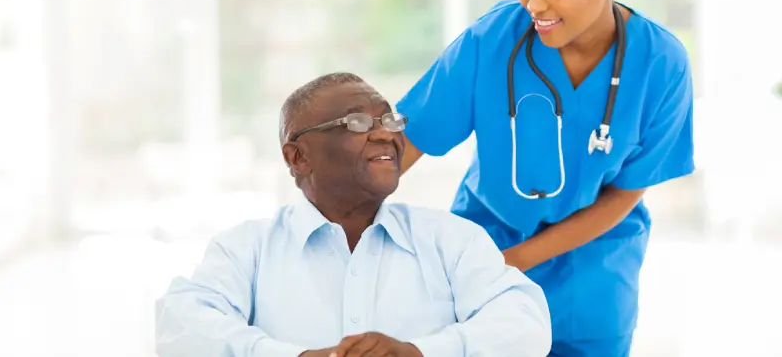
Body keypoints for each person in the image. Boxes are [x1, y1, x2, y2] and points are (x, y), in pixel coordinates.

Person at [395, 0, 694, 356]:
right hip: (483, 255)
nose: (533, 3)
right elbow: (405, 143)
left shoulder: (661, 63)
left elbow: (627, 192)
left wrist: (513, 261)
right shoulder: (491, 40)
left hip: (592, 274)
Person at [155, 72, 552, 357]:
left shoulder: (451, 240)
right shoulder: (246, 249)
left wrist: (419, 353)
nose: (385, 133)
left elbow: (526, 326)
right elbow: (181, 329)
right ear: (298, 156)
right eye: (358, 122)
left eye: (389, 119)